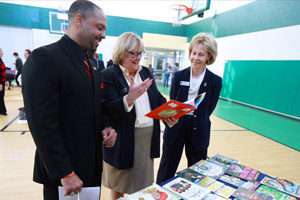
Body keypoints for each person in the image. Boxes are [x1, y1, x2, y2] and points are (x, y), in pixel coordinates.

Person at [22, 0, 117, 199]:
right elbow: (42, 125)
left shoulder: (92, 64)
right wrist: (65, 172)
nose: (103, 34)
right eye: (99, 27)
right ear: (79, 20)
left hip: (91, 168)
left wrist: (106, 126)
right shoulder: (44, 59)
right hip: (64, 176)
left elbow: (95, 106)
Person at [101, 32, 178, 200]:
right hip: (123, 139)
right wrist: (129, 98)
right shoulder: (109, 75)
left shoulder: (145, 73)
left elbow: (157, 100)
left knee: (143, 185)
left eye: (140, 53)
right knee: (118, 184)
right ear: (121, 52)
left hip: (146, 140)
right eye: (133, 53)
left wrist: (169, 115)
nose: (137, 58)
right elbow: (106, 107)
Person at [156, 33, 222, 184]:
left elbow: (209, 109)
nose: (196, 58)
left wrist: (195, 118)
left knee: (197, 174)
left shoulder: (215, 81)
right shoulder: (179, 76)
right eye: (194, 53)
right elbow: (172, 102)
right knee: (166, 170)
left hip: (199, 129)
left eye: (201, 54)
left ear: (209, 57)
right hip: (176, 126)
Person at [0, 48, 8, 116]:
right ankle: (2, 111)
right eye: (1, 52)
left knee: (1, 96)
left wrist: (5, 81)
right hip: (0, 82)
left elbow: (3, 72)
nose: (2, 53)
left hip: (2, 81)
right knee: (0, 96)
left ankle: (2, 110)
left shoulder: (1, 60)